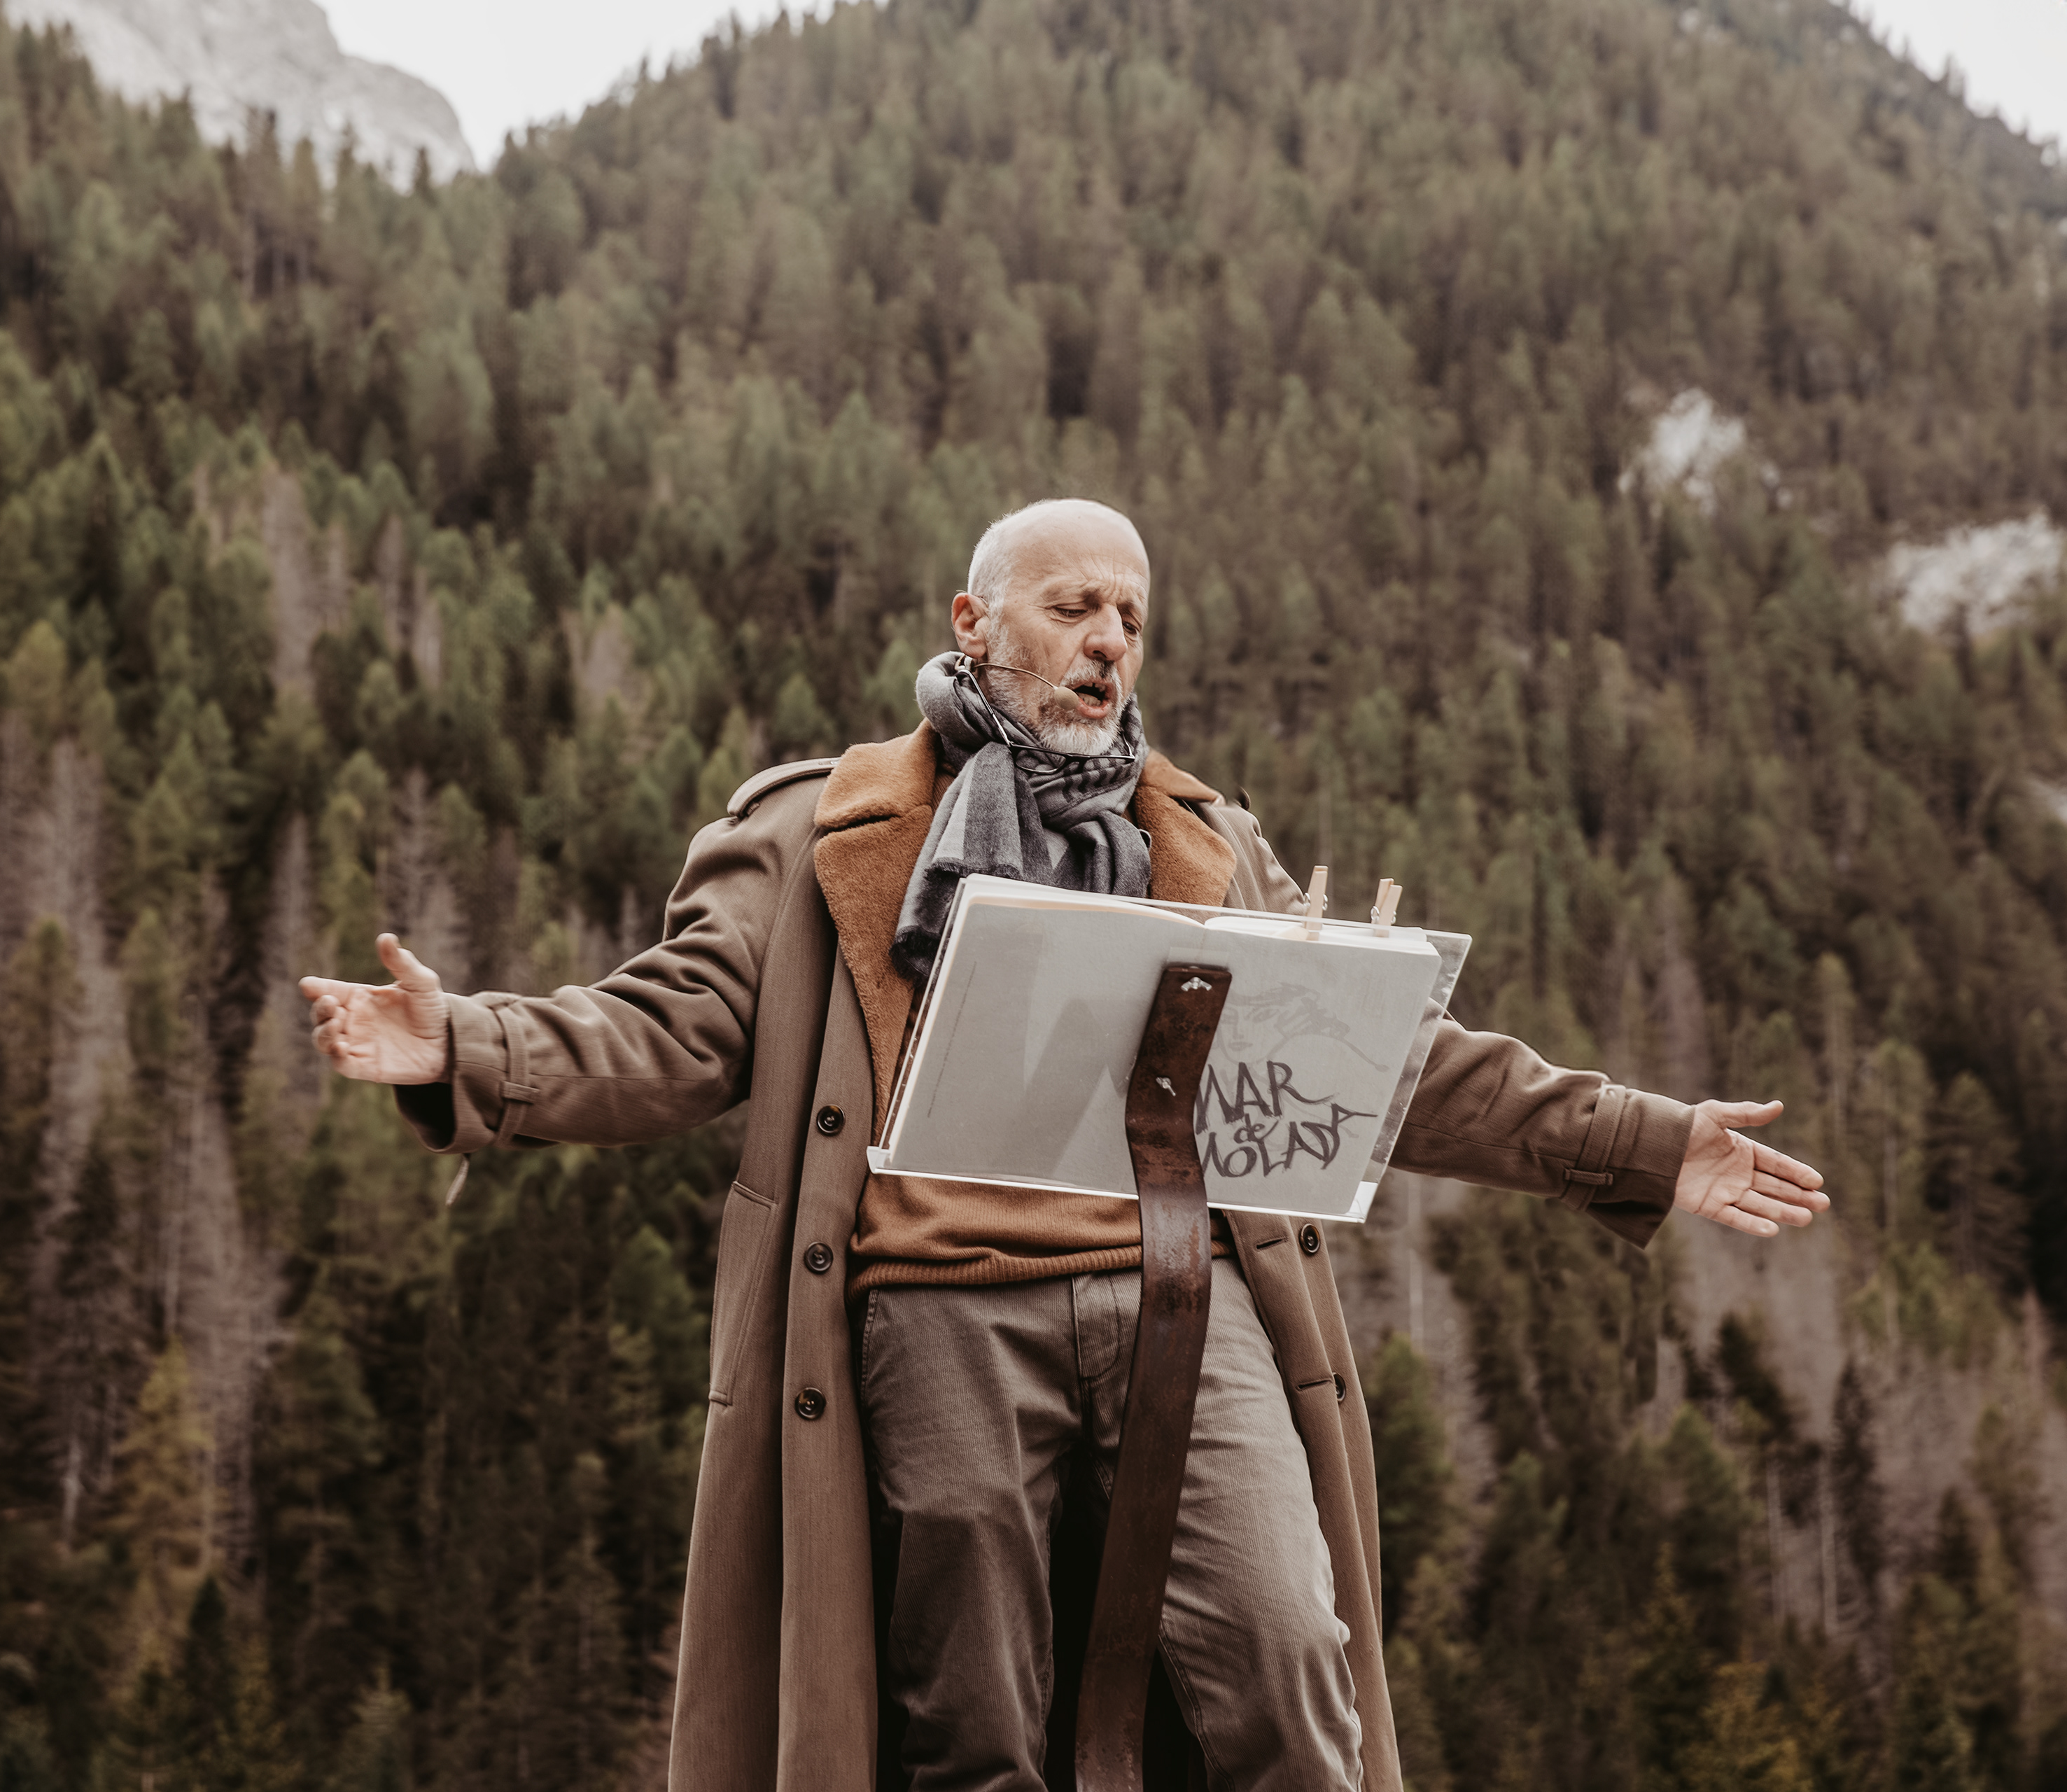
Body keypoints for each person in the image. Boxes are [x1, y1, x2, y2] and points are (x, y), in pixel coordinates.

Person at [300, 499, 1827, 1792]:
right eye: (1074, 605)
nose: (1109, 639)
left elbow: (1393, 1065)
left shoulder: (1207, 844)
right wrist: (469, 1042)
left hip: (1185, 1298)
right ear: (978, 620)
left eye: (1134, 617)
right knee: (966, 1719)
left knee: (1290, 1657)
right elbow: (677, 1025)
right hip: (933, 1306)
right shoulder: (818, 828)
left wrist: (1640, 1139)